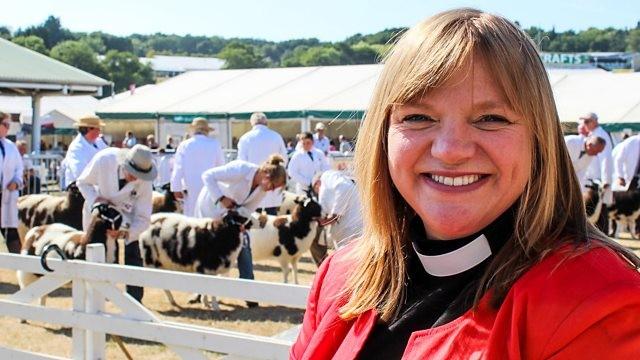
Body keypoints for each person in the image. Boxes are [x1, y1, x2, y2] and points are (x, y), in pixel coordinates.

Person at [291, 9, 640, 359]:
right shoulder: (339, 276)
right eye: (418, 117)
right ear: (382, 136)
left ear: (539, 141)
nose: (450, 150)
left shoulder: (596, 302)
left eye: (491, 118)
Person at [195, 154, 287, 307]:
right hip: (210, 208)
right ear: (266, 174)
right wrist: (221, 197)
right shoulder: (241, 169)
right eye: (272, 186)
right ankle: (201, 291)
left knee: (244, 246)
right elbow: (208, 175)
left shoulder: (262, 190)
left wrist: (244, 223)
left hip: (232, 217)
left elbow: (248, 209)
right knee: (207, 250)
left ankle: (248, 292)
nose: (270, 191)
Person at [77, 144, 156, 302]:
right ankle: (91, 299)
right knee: (93, 255)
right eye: (132, 173)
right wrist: (96, 200)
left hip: (127, 220)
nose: (135, 178)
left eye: (139, 175)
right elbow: (83, 182)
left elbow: (143, 217)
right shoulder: (104, 159)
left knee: (133, 256)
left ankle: (135, 303)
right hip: (98, 217)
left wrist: (126, 232)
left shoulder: (145, 183)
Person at [170, 118, 225, 217]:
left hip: (190, 186)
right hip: (210, 186)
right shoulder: (215, 144)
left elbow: (178, 168)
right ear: (207, 131)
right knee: (209, 216)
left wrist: (176, 188)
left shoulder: (184, 145)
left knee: (191, 216)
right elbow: (221, 168)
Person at [237, 112, 288, 215]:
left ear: (252, 123)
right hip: (273, 184)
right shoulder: (276, 136)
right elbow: (284, 159)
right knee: (271, 220)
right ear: (266, 123)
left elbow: (241, 163)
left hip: (253, 184)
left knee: (252, 220)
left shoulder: (245, 138)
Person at [62, 115, 107, 189]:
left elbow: (108, 155)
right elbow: (80, 173)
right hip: (79, 188)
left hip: (97, 184)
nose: (99, 131)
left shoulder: (99, 141)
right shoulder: (76, 147)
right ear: (88, 129)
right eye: (97, 129)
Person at [0, 111, 23, 254]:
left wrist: (16, 181)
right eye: (5, 124)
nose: (8, 128)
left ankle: (19, 265)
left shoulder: (10, 146)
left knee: (11, 231)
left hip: (6, 196)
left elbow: (18, 168)